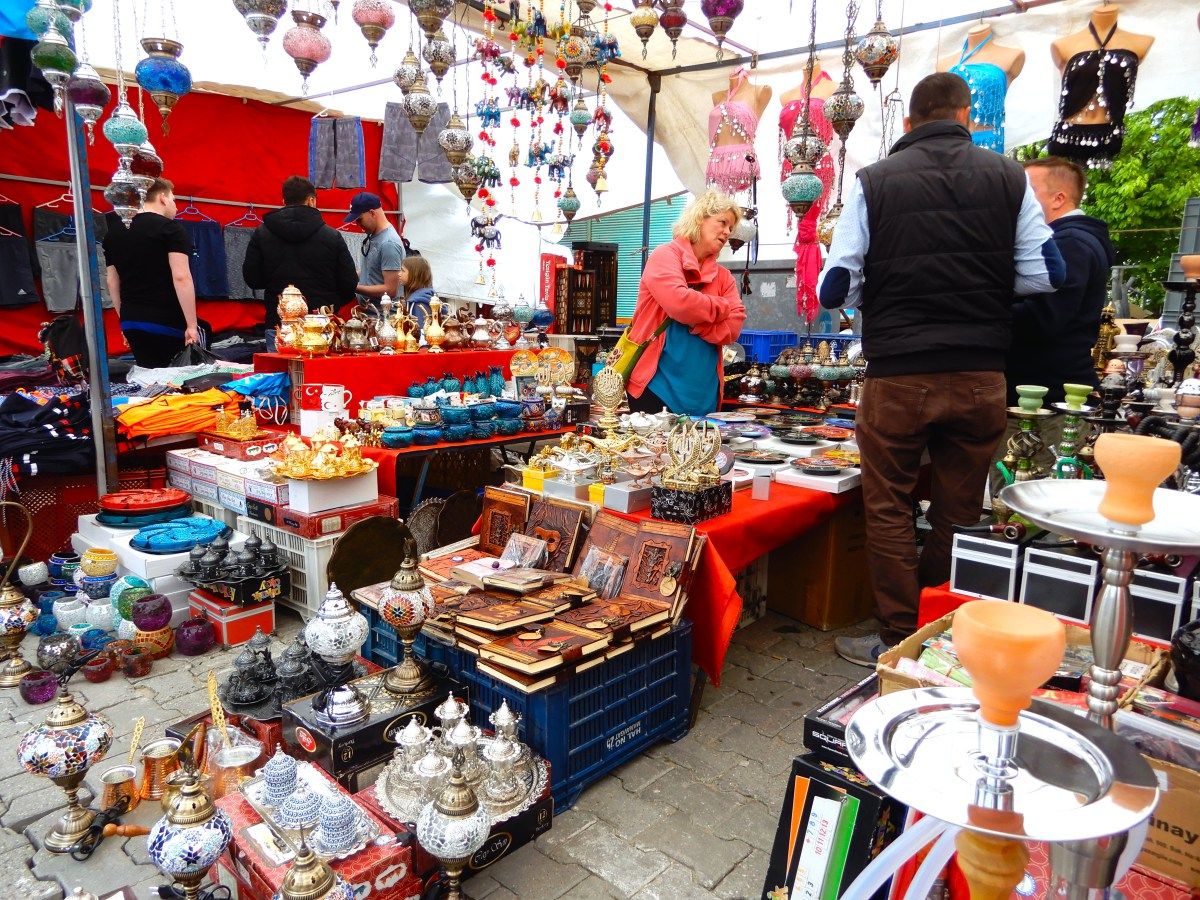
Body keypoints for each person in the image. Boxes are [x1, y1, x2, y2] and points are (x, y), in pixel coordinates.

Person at [817, 72, 1065, 666]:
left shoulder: (874, 182)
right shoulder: (1009, 177)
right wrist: (978, 289)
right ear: (966, 117)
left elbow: (834, 286)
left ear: (909, 123)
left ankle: (897, 634)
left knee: (889, 505)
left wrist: (888, 289)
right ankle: (935, 623)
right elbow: (1046, 274)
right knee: (960, 506)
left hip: (899, 373)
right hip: (980, 372)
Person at [624, 190, 746, 417]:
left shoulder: (723, 276)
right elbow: (680, 303)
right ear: (700, 218)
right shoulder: (665, 256)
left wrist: (697, 324)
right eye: (722, 222)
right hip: (656, 388)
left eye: (730, 227)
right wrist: (721, 306)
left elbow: (734, 327)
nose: (727, 232)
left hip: (705, 394)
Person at [1006, 156, 1115, 406]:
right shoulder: (1074, 240)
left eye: (1026, 191)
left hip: (1046, 393)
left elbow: (1043, 317)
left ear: (1059, 198)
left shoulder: (1069, 243)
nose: (1017, 199)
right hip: (1048, 386)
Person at [241, 175, 358, 350]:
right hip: (322, 321)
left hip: (280, 323)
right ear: (311, 200)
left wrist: (276, 286)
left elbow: (252, 278)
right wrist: (329, 302)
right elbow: (349, 282)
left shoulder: (262, 233)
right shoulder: (331, 236)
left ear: (283, 200)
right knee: (322, 376)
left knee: (280, 375)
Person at [103, 177, 201, 368]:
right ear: (163, 198)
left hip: (132, 318)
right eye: (173, 199)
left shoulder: (113, 233)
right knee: (177, 383)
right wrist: (191, 325)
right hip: (166, 319)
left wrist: (124, 319)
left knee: (147, 380)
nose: (175, 206)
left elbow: (112, 282)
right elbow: (181, 277)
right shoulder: (171, 229)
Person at [346, 191, 405, 305]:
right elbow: (370, 271)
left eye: (359, 219)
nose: (357, 224)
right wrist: (347, 277)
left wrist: (353, 287)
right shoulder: (374, 236)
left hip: (384, 317)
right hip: (370, 314)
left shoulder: (389, 243)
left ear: (372, 213)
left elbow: (390, 290)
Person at [398, 255, 434, 331]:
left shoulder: (418, 302)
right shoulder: (426, 297)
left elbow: (419, 331)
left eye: (403, 271)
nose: (399, 274)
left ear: (414, 274)